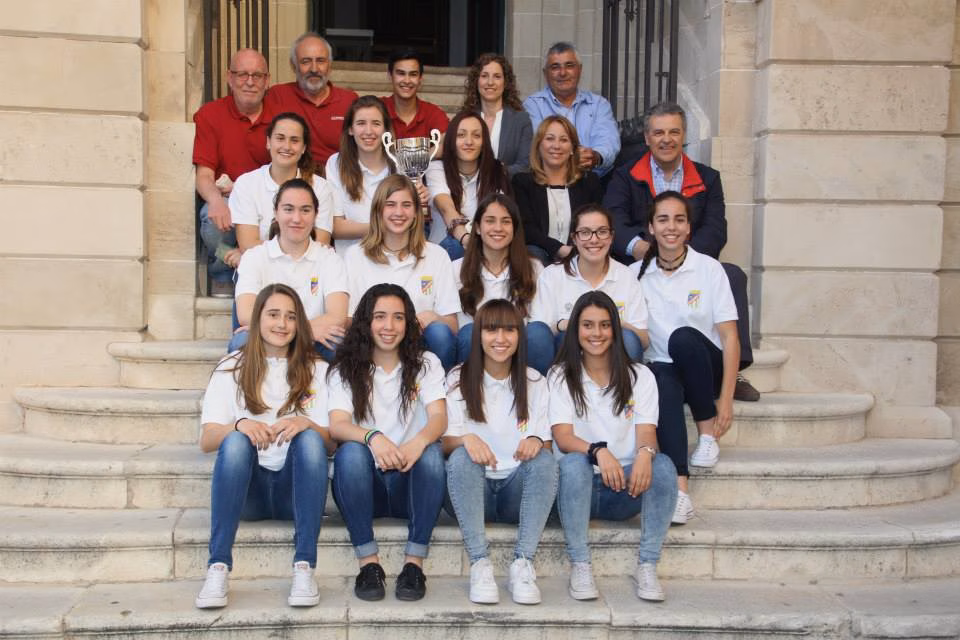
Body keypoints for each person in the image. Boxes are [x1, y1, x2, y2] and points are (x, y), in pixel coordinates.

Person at [603, 101, 760, 402]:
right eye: (658, 132)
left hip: (689, 260)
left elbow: (715, 228)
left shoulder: (708, 177)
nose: (667, 139)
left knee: (733, 275)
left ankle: (733, 369)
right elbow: (614, 220)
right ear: (647, 137)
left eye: (674, 132)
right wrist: (642, 248)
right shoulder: (624, 176)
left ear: (684, 135)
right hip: (641, 260)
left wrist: (679, 255)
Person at [195, 283, 334, 609]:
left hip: (294, 492)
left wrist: (307, 423)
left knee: (310, 438)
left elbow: (332, 444)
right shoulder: (231, 366)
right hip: (249, 493)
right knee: (235, 440)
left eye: (290, 317)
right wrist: (239, 425)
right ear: (257, 319)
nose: (282, 324)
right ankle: (218, 567)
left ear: (300, 324)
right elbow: (207, 440)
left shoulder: (319, 369)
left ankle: (304, 567)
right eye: (273, 315)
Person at [548, 290, 677, 602]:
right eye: (588, 325)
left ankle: (647, 564)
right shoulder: (560, 375)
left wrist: (645, 454)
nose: (597, 333)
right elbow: (563, 437)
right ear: (576, 330)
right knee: (573, 463)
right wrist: (598, 451)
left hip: (625, 488)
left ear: (615, 330)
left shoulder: (640, 376)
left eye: (605, 325)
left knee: (663, 466)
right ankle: (580, 563)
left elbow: (647, 432)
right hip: (574, 490)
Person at [328, 284, 447, 602]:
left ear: (408, 323)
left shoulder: (427, 363)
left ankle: (413, 565)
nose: (389, 326)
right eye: (380, 316)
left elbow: (439, 419)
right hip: (365, 487)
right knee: (350, 454)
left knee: (432, 454)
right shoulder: (345, 368)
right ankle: (369, 564)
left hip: (410, 486)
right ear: (366, 322)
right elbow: (337, 425)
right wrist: (373, 437)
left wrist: (418, 442)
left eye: (398, 317)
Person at [633, 191, 740, 525]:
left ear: (689, 227)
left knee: (682, 339)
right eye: (663, 219)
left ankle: (707, 432)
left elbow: (730, 337)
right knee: (662, 380)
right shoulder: (635, 274)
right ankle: (680, 492)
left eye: (679, 219)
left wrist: (726, 399)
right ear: (651, 227)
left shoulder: (708, 269)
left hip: (703, 365)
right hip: (663, 367)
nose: (671, 227)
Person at [443, 299, 557, 605]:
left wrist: (536, 440)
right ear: (478, 335)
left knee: (545, 461)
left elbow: (547, 443)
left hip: (514, 492)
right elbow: (444, 442)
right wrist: (466, 438)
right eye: (491, 330)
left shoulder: (536, 382)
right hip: (471, 492)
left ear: (520, 335)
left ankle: (523, 563)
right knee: (460, 456)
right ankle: (480, 563)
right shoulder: (457, 378)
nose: (501, 339)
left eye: (509, 330)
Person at [343, 175, 460, 370]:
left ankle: (438, 385)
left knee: (440, 333)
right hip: (372, 343)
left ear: (416, 212)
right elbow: (349, 319)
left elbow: (452, 325)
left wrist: (431, 317)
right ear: (378, 210)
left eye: (406, 205)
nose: (399, 212)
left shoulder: (437, 255)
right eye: (390, 204)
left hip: (420, 344)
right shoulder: (355, 255)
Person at [232, 179, 348, 359]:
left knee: (338, 344)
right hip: (272, 334)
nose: (297, 218)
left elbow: (337, 316)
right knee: (242, 341)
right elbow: (246, 315)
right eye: (288, 209)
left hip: (314, 340)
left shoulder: (330, 259)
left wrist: (297, 332)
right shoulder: (254, 256)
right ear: (276, 213)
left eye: (305, 210)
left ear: (316, 215)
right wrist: (303, 330)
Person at [193, 48, 274, 296]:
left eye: (257, 75)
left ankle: (260, 268)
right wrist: (216, 200)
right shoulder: (211, 115)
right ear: (230, 78)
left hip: (270, 197)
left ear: (267, 80)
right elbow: (204, 175)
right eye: (242, 75)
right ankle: (224, 270)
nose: (250, 82)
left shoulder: (279, 117)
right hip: (229, 200)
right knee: (211, 220)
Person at [530, 204, 648, 362]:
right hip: (564, 359)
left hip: (612, 361)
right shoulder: (551, 275)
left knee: (627, 339)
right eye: (585, 233)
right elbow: (537, 335)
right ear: (574, 238)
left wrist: (614, 322)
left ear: (611, 237)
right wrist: (563, 325)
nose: (594, 239)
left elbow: (643, 341)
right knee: (553, 335)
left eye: (602, 232)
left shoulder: (626, 276)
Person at [453, 194, 553, 373]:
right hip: (478, 347)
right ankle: (469, 388)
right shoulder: (456, 270)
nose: (498, 228)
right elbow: (458, 324)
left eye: (506, 221)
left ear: (515, 228)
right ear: (477, 227)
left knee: (538, 334)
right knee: (469, 333)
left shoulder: (534, 268)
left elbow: (540, 319)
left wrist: (508, 338)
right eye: (490, 221)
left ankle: (535, 387)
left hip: (520, 347)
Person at [231, 112, 334, 252]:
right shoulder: (246, 184)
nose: (287, 146)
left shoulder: (320, 187)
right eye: (280, 138)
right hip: (261, 265)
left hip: (307, 265)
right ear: (268, 142)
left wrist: (258, 248)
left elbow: (320, 245)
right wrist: (297, 248)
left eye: (294, 140)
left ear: (304, 148)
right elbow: (248, 244)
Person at [512, 115, 603, 265]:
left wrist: (576, 251)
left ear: (573, 148)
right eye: (550, 139)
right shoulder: (523, 182)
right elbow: (525, 229)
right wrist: (559, 248)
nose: (556, 146)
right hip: (539, 257)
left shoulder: (589, 182)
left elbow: (596, 224)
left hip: (580, 255)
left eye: (564, 140)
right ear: (538, 145)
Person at [523, 42, 620, 177]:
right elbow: (534, 146)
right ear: (545, 73)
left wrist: (595, 156)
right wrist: (572, 159)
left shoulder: (598, 104)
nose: (562, 73)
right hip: (547, 181)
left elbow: (608, 142)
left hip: (592, 180)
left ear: (580, 69)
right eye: (555, 67)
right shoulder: (533, 105)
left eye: (569, 66)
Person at [425, 111, 511, 261]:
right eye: (461, 135)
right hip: (445, 252)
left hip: (486, 250)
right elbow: (446, 208)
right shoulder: (436, 169)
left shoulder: (497, 170)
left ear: (484, 142)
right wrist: (466, 239)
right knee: (455, 245)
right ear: (451, 140)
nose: (469, 141)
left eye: (476, 135)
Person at [267, 33, 358, 166]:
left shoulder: (349, 100)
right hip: (292, 174)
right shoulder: (277, 95)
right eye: (306, 61)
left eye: (320, 61)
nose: (314, 69)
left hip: (336, 176)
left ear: (329, 65)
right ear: (293, 66)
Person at [461, 52, 532, 176]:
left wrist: (497, 172)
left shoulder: (521, 120)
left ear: (505, 83)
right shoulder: (464, 119)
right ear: (476, 81)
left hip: (507, 186)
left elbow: (525, 166)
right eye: (484, 76)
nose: (490, 82)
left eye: (497, 77)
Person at [382, 48, 450, 141]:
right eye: (401, 73)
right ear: (390, 76)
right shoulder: (378, 108)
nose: (407, 81)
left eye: (413, 74)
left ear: (420, 79)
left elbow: (444, 143)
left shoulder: (433, 114)